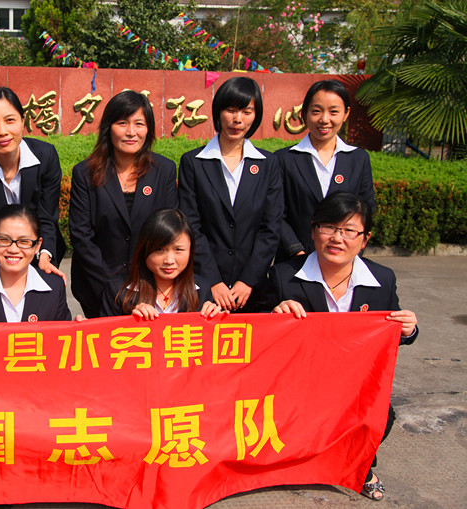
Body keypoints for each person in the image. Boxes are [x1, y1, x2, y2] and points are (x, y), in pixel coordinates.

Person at [265, 192, 418, 501]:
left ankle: (361, 466)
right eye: (328, 227)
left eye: (349, 231)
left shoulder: (382, 279)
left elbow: (391, 329)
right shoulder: (283, 276)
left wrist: (409, 329)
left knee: (382, 414)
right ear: (313, 230)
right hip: (296, 384)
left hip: (352, 386)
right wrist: (274, 315)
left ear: (365, 240)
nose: (337, 238)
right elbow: (254, 333)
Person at [178, 76, 283, 312]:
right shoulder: (194, 163)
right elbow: (190, 225)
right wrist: (213, 281)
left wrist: (248, 281)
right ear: (218, 111)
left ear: (256, 115)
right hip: (204, 285)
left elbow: (271, 228)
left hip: (253, 289)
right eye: (231, 110)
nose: (237, 119)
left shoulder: (268, 164)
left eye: (246, 111)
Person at [70, 90, 178, 318]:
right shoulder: (85, 173)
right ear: (108, 128)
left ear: (148, 129)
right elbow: (81, 236)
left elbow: (170, 231)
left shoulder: (164, 170)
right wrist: (115, 290)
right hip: (97, 287)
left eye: (139, 124)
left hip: (151, 287)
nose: (131, 132)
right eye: (122, 123)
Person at [0, 87, 65, 279]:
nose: (2, 131)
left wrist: (44, 256)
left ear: (23, 121)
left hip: (41, 251)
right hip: (0, 257)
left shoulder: (45, 156)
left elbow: (47, 216)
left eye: (10, 120)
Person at [275, 79, 375, 261]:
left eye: (333, 112)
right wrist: (296, 251)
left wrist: (351, 252)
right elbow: (275, 213)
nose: (324, 119)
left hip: (342, 261)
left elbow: (366, 212)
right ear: (304, 114)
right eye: (316, 111)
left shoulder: (358, 159)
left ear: (346, 114)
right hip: (295, 261)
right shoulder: (283, 159)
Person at [100, 209, 222, 319]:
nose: (169, 260)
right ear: (144, 249)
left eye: (178, 250)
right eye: (160, 249)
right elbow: (105, 333)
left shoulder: (202, 290)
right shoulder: (118, 290)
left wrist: (215, 319)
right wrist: (131, 321)